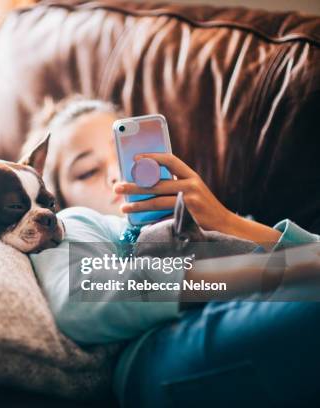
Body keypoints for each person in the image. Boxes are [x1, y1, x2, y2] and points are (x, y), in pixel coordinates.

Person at [25, 95, 320, 407]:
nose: (117, 174)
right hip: (161, 349)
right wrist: (272, 270)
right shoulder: (78, 223)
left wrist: (227, 222)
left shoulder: (216, 220)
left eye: (127, 158)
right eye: (87, 171)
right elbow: (79, 296)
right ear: (59, 197)